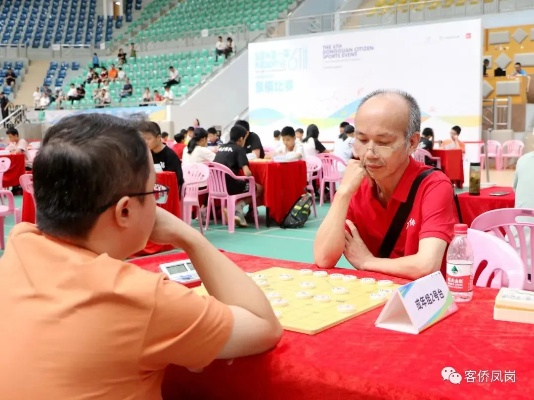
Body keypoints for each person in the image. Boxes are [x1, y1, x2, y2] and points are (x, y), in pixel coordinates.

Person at [0, 113, 282, 399]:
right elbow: (264, 327)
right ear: (124, 211)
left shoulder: (19, 243)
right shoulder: (141, 299)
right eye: (153, 191)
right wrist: (191, 238)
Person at [314, 89, 458, 280]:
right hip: (376, 297)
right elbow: (324, 258)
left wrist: (367, 262)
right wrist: (343, 193)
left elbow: (426, 265)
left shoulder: (434, 186)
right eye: (362, 140)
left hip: (423, 301)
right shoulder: (357, 186)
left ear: (412, 142)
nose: (369, 153)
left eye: (383, 142)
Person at [214, 125, 263, 227]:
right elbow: (247, 173)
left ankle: (237, 213)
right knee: (258, 188)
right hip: (231, 187)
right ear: (241, 139)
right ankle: (237, 208)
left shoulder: (221, 148)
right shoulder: (239, 149)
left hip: (216, 187)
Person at [140, 121, 184, 189]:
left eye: (148, 139)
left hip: (168, 191)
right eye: (143, 139)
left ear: (158, 137)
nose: (145, 142)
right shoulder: (147, 154)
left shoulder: (170, 156)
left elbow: (177, 181)